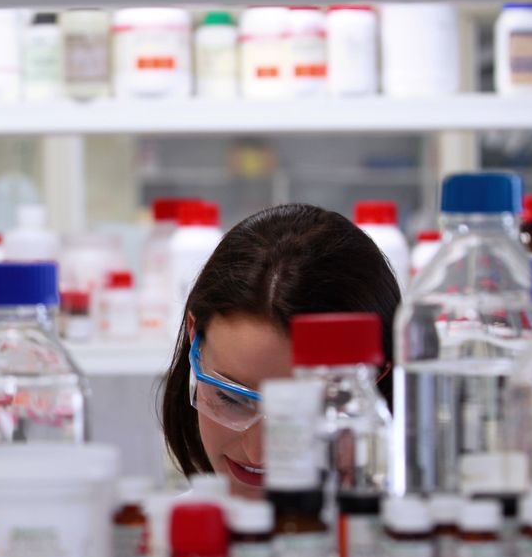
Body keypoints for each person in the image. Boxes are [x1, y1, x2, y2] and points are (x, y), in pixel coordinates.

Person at [161, 204, 401, 498]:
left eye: (302, 411)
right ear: (193, 334)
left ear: (381, 381)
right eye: (230, 397)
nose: (258, 452)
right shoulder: (160, 537)